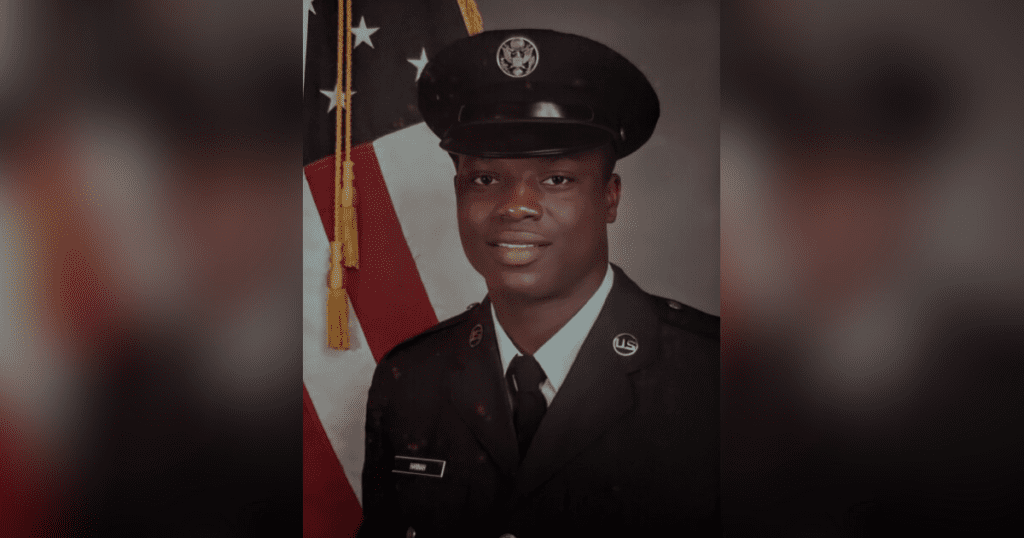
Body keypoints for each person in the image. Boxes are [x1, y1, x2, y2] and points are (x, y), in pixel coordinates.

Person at [359, 29, 719, 538]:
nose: (514, 206)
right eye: (485, 179)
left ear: (610, 197)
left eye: (556, 180)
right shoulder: (410, 382)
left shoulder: (713, 381)